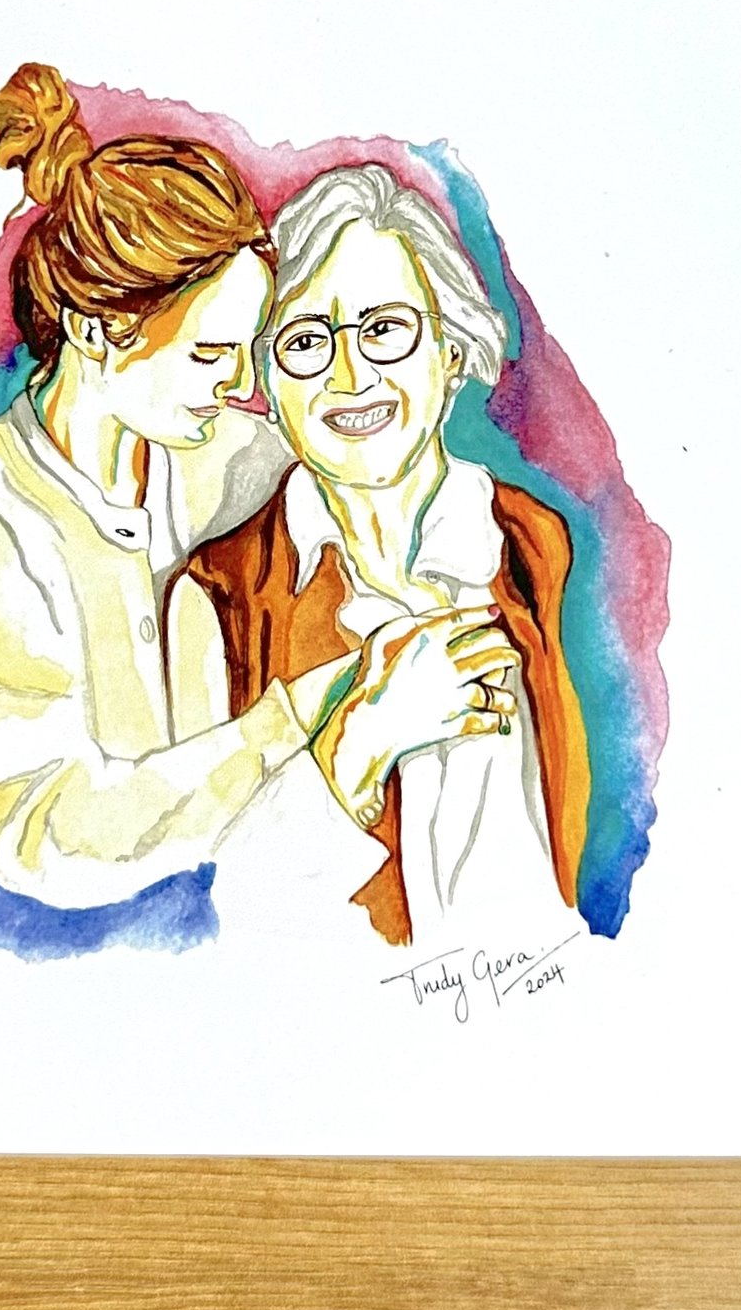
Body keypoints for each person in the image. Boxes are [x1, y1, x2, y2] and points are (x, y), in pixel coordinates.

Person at [0, 68, 515, 909]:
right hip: (103, 939)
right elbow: (50, 834)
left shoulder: (230, 452)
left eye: (249, 350)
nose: (243, 387)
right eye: (209, 355)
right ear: (96, 331)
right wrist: (316, 708)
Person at [176, 164, 589, 947]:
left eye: (385, 329)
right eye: (305, 341)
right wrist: (360, 745)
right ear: (267, 380)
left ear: (451, 350)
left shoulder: (532, 543)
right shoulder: (219, 595)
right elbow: (206, 917)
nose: (350, 375)